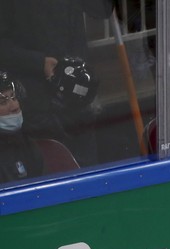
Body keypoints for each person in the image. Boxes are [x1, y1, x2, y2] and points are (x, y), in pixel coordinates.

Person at [0, 0, 110, 167]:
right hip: (36, 104)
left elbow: (102, 9)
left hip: (78, 97)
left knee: (87, 175)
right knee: (49, 172)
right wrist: (39, 63)